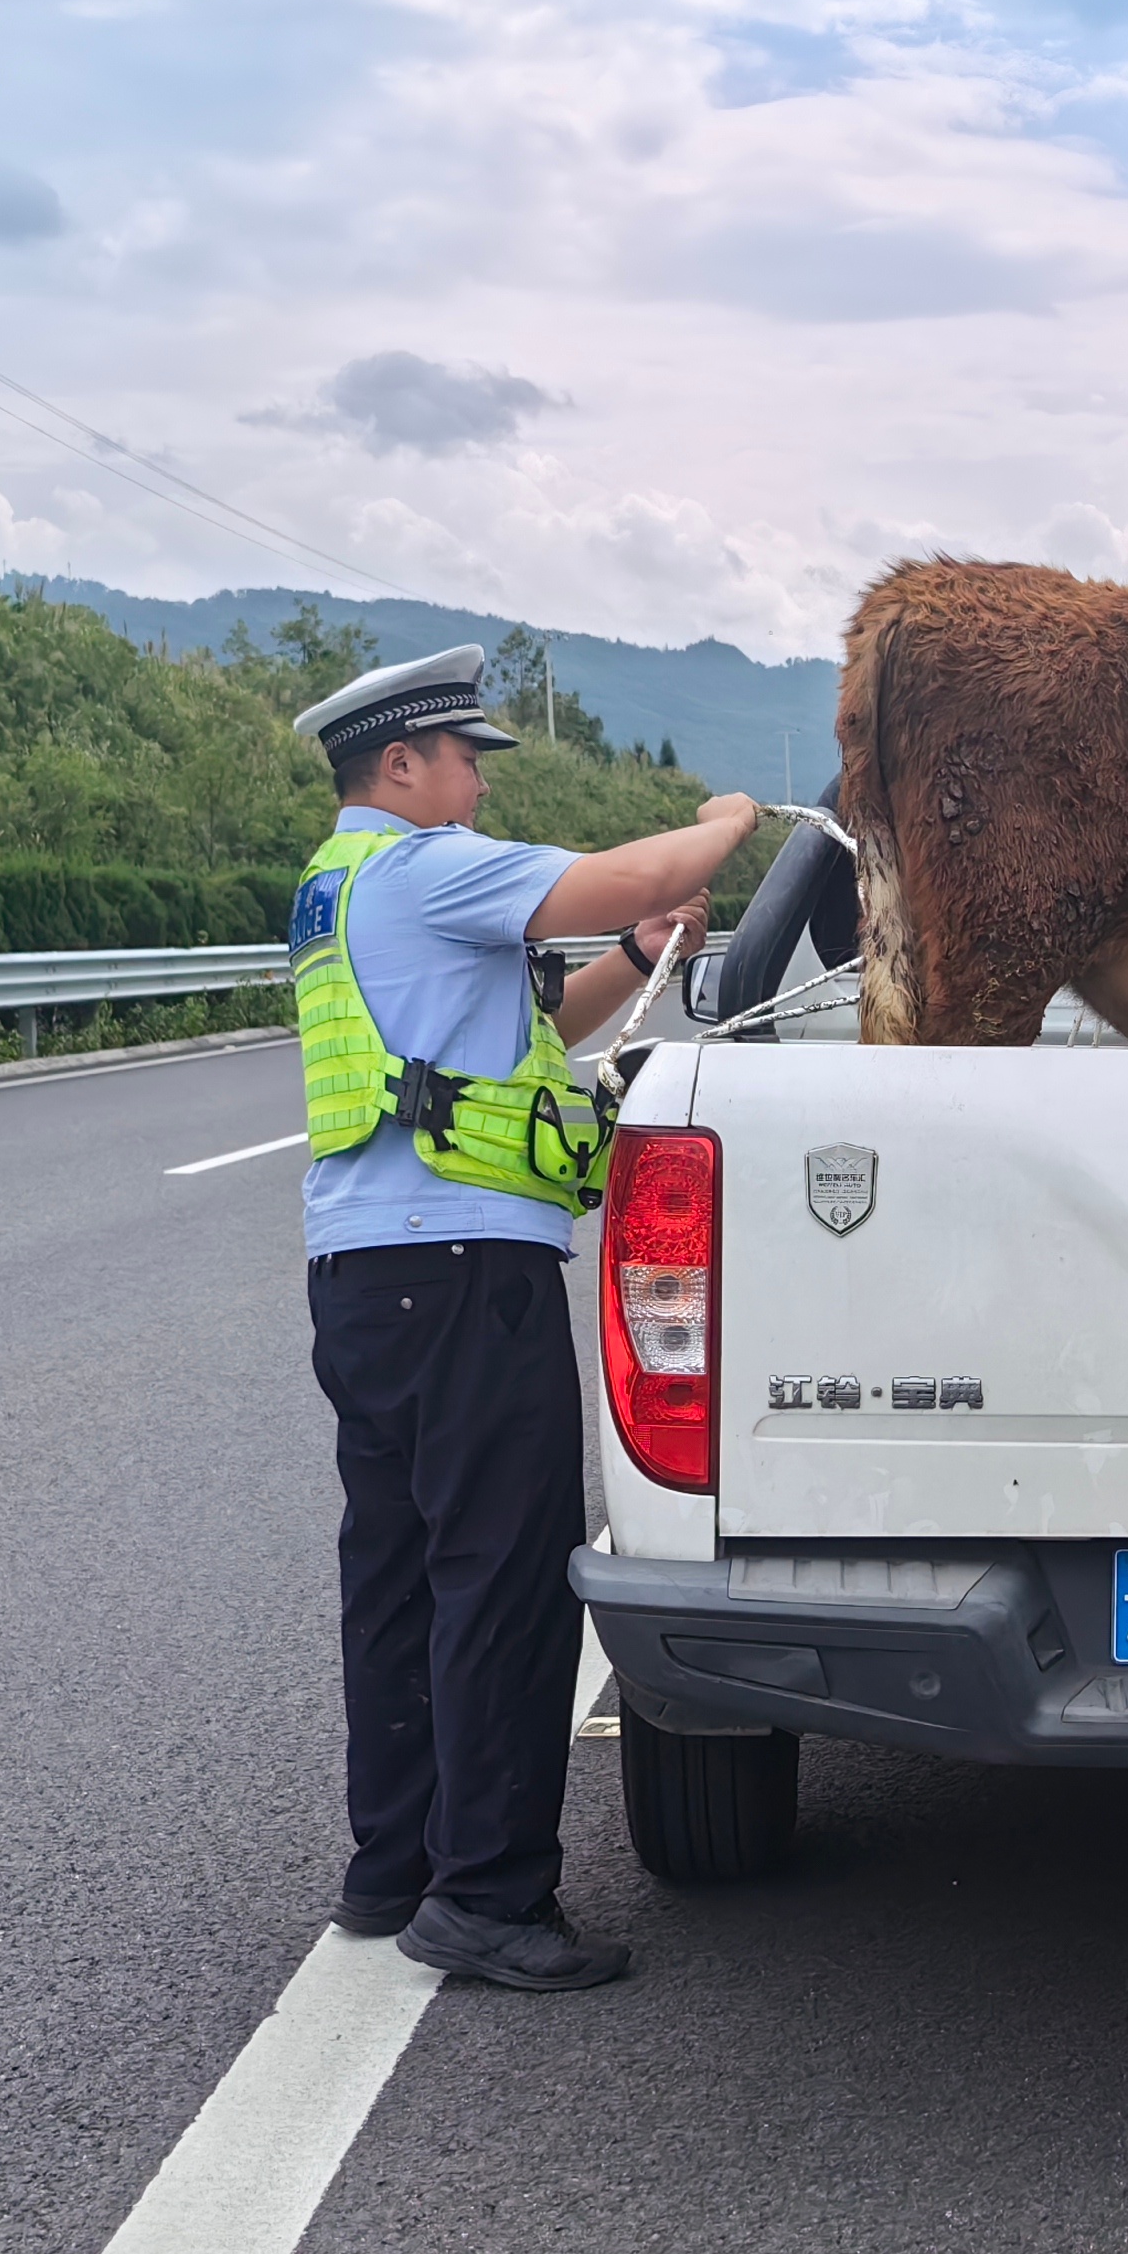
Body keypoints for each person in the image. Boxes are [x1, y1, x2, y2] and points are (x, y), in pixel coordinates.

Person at [291, 650, 756, 1991]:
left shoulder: (344, 889)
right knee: (498, 1581)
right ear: (400, 767)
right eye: (463, 756)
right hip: (460, 1278)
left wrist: (635, 956)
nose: (479, 779)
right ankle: (488, 1897)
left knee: (394, 1578)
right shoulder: (430, 869)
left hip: (368, 1277)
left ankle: (396, 1867)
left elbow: (530, 1026)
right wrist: (721, 825)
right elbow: (634, 869)